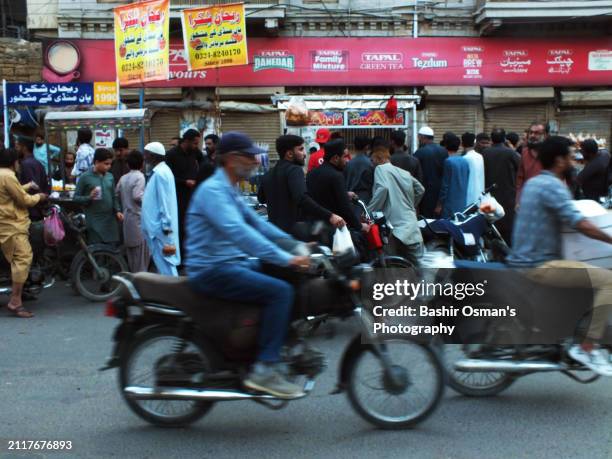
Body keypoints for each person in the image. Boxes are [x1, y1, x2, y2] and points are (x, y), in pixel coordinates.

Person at [185, 131, 309, 398]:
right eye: (249, 156)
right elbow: (240, 232)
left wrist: (296, 246)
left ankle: (268, 345)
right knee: (280, 292)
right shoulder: (214, 191)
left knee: (284, 278)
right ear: (231, 159)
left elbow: (258, 224)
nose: (255, 161)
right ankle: (264, 369)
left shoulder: (229, 189)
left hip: (232, 263)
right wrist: (286, 258)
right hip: (212, 269)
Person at [507, 136, 612, 376]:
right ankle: (587, 347)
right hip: (539, 265)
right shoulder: (554, 186)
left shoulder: (535, 183)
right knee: (608, 281)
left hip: (525, 258)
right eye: (568, 156)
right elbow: (580, 224)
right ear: (558, 160)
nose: (572, 160)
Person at [258, 135, 344, 234]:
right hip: (293, 234)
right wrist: (330, 216)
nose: (304, 154)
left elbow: (261, 198)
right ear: (290, 154)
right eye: (301, 149)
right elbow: (302, 198)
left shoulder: (269, 173)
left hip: (275, 233)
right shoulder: (294, 170)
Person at [0, 148, 47, 318]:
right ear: (14, 162)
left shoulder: (3, 175)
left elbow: (13, 192)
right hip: (11, 225)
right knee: (23, 258)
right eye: (18, 162)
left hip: (7, 223)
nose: (19, 165)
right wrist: (40, 197)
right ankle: (15, 300)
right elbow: (24, 200)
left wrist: (28, 186)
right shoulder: (8, 175)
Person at [368, 146, 425, 265]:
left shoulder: (380, 169)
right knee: (417, 269)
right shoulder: (404, 173)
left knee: (392, 266)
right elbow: (420, 189)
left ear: (380, 159)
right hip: (412, 227)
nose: (372, 164)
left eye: (372, 160)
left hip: (395, 229)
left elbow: (382, 189)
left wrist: (368, 211)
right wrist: (410, 205)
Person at [306, 139, 367, 236]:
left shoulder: (311, 173)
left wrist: (345, 194)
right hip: (334, 231)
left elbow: (323, 195)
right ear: (335, 158)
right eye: (345, 157)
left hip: (313, 228)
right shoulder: (336, 176)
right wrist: (359, 226)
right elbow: (345, 207)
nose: (347, 160)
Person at [141, 142, 180, 276]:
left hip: (160, 231)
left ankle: (174, 293)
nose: (144, 158)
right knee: (163, 266)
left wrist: (166, 229)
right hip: (157, 230)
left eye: (145, 154)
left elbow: (165, 204)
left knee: (167, 266)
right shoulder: (160, 172)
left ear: (152, 156)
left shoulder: (161, 174)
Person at [73, 148, 123, 244]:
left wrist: (118, 211)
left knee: (111, 249)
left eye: (110, 164)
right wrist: (89, 197)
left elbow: (114, 196)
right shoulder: (85, 177)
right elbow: (76, 198)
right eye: (106, 164)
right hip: (94, 220)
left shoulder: (110, 177)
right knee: (97, 249)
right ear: (96, 162)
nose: (108, 167)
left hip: (109, 220)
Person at [166, 129, 204, 251]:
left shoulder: (194, 152)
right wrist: (184, 182)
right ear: (186, 141)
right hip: (178, 197)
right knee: (180, 227)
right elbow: (167, 177)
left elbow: (204, 163)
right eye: (195, 143)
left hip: (193, 196)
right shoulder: (172, 154)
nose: (196, 146)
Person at [482, 128, 520, 245]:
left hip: (488, 197)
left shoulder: (484, 153)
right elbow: (520, 169)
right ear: (504, 139)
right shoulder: (511, 153)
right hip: (508, 197)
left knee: (489, 222)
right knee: (508, 226)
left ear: (491, 139)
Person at [116, 150, 149, 273]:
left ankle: (134, 277)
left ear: (128, 165)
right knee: (140, 252)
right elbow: (137, 196)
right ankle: (140, 279)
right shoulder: (140, 177)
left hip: (127, 217)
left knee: (131, 251)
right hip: (137, 217)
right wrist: (150, 198)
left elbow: (116, 192)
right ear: (142, 164)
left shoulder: (123, 177)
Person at [414, 126, 448, 218]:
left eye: (419, 137)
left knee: (425, 219)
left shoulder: (420, 152)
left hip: (425, 193)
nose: (419, 139)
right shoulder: (444, 151)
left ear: (422, 137)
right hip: (440, 193)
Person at [16, 136, 50, 221]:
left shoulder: (26, 164)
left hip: (32, 211)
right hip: (38, 210)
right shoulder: (37, 163)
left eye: (17, 146)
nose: (16, 149)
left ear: (24, 148)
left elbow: (33, 187)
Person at [437, 133, 470, 218]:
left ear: (445, 146)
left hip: (449, 202)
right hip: (462, 201)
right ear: (459, 146)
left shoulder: (448, 161)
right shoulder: (464, 161)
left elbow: (445, 185)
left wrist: (439, 205)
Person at [516, 122, 546, 205]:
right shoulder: (525, 152)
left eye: (536, 133)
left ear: (545, 135)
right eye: (531, 132)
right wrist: (518, 200)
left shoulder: (552, 152)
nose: (532, 135)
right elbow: (520, 178)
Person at [344, 135, 374, 204]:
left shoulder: (348, 163)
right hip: (366, 198)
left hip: (350, 198)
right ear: (367, 147)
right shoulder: (370, 163)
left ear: (354, 146)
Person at [461, 132, 485, 204]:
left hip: (468, 197)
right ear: (474, 144)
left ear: (462, 144)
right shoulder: (480, 156)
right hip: (480, 195)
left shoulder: (464, 158)